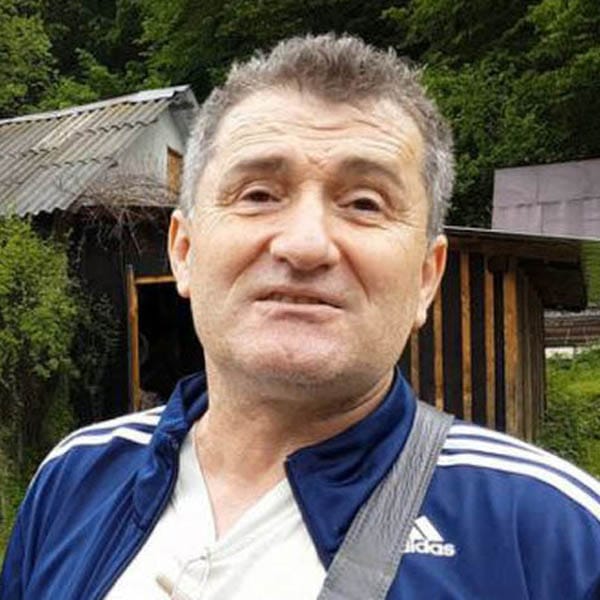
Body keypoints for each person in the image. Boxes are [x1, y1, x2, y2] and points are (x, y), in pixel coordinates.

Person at [2, 34, 599, 600]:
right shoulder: (73, 479)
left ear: (426, 276)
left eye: (364, 203)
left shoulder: (558, 538)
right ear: (184, 251)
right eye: (259, 194)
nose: (306, 245)